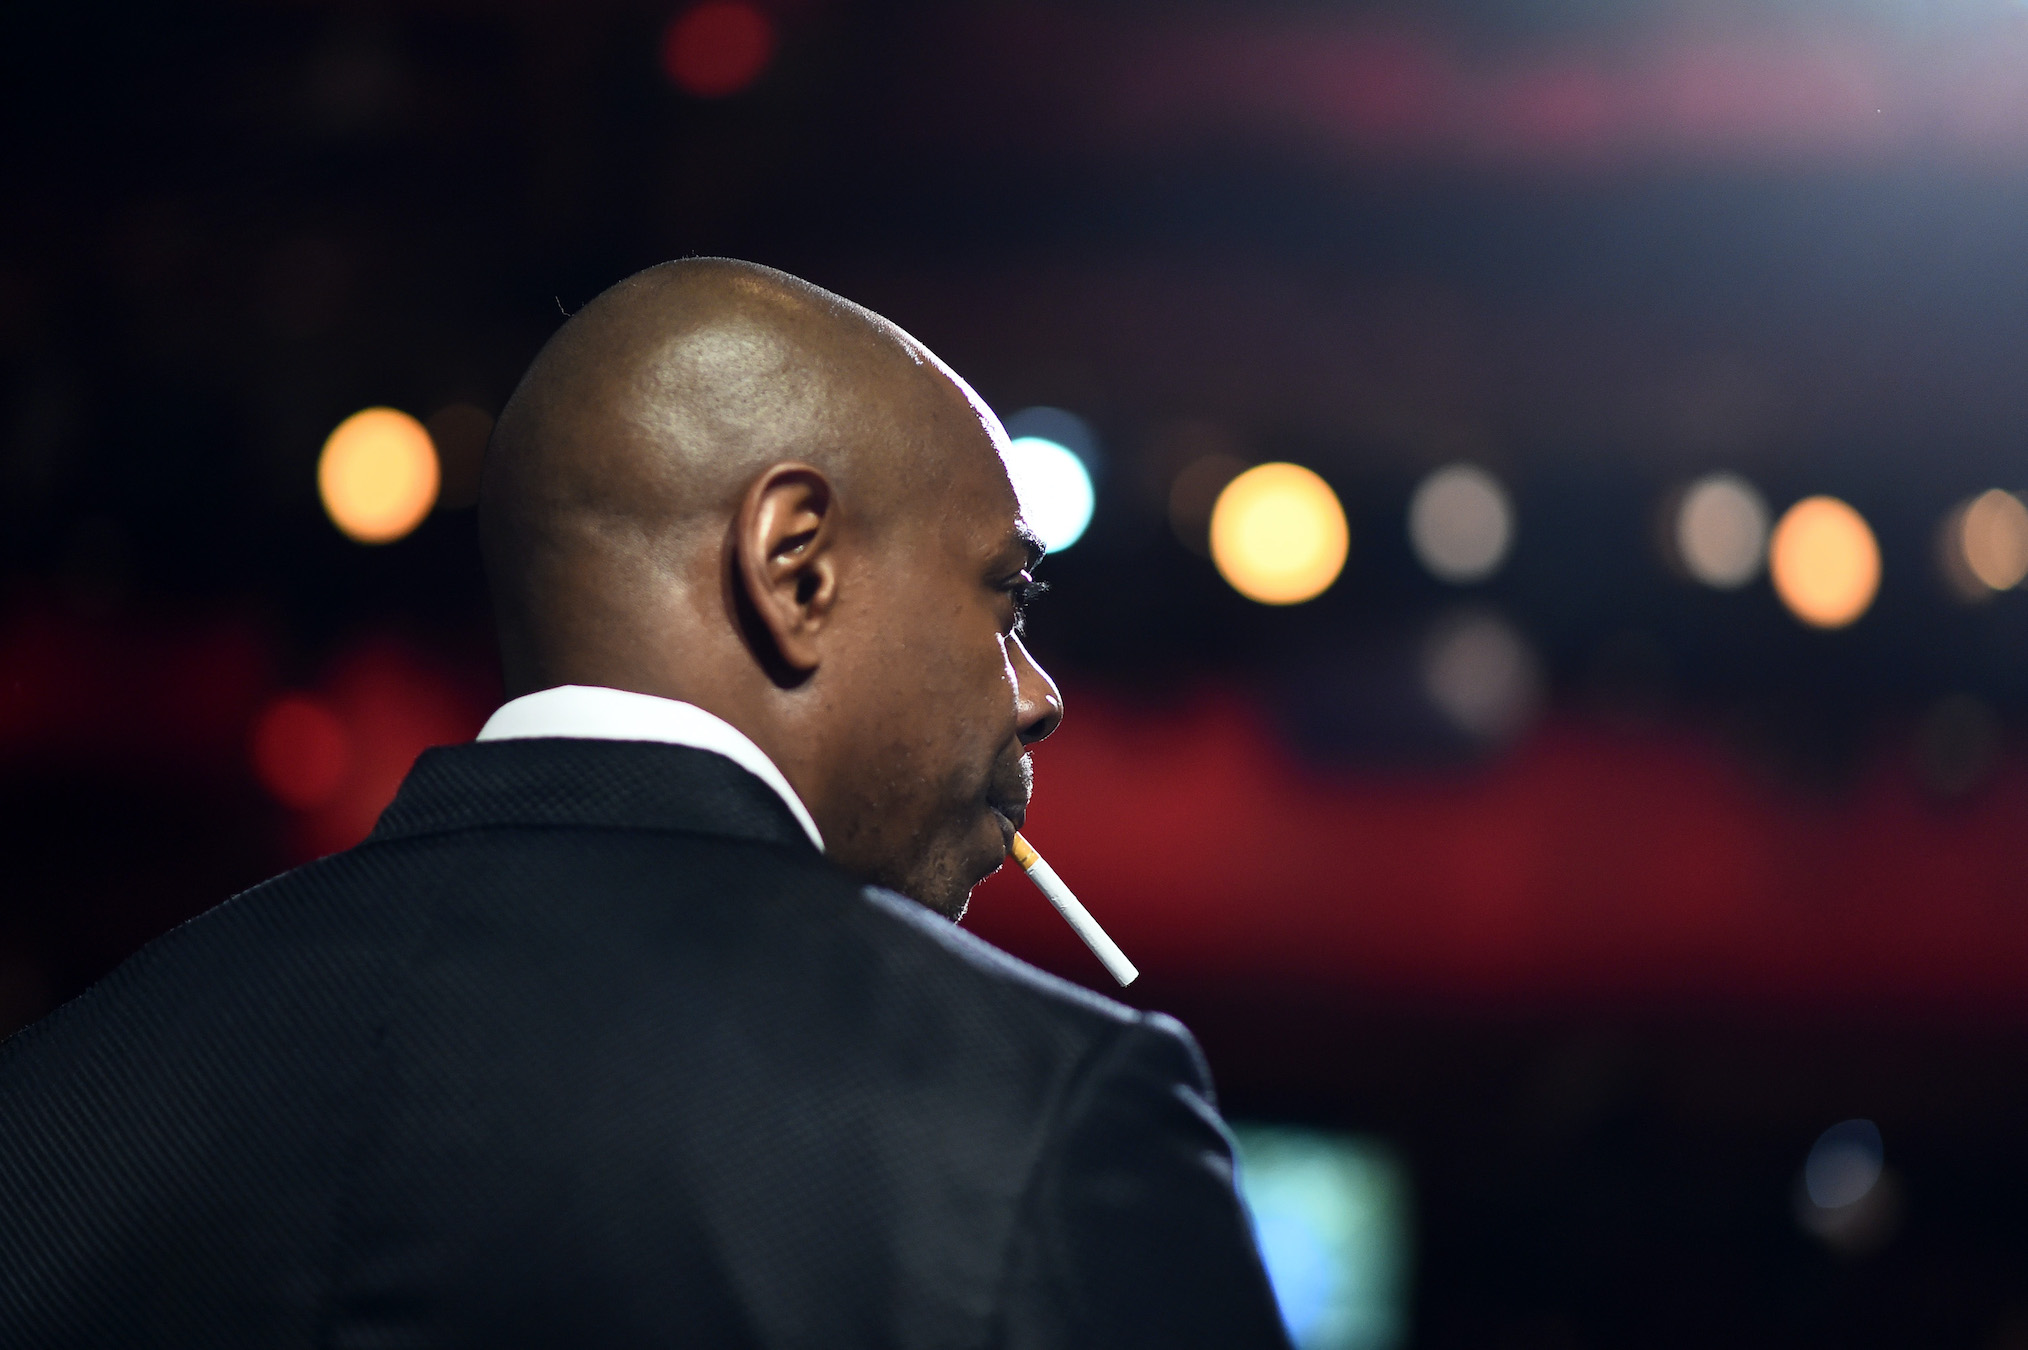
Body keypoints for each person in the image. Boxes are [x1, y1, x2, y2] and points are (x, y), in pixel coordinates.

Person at [0, 260, 1290, 1348]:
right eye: (1005, 602)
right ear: (794, 566)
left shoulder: (67, 1101)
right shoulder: (1048, 1116)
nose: (1039, 693)